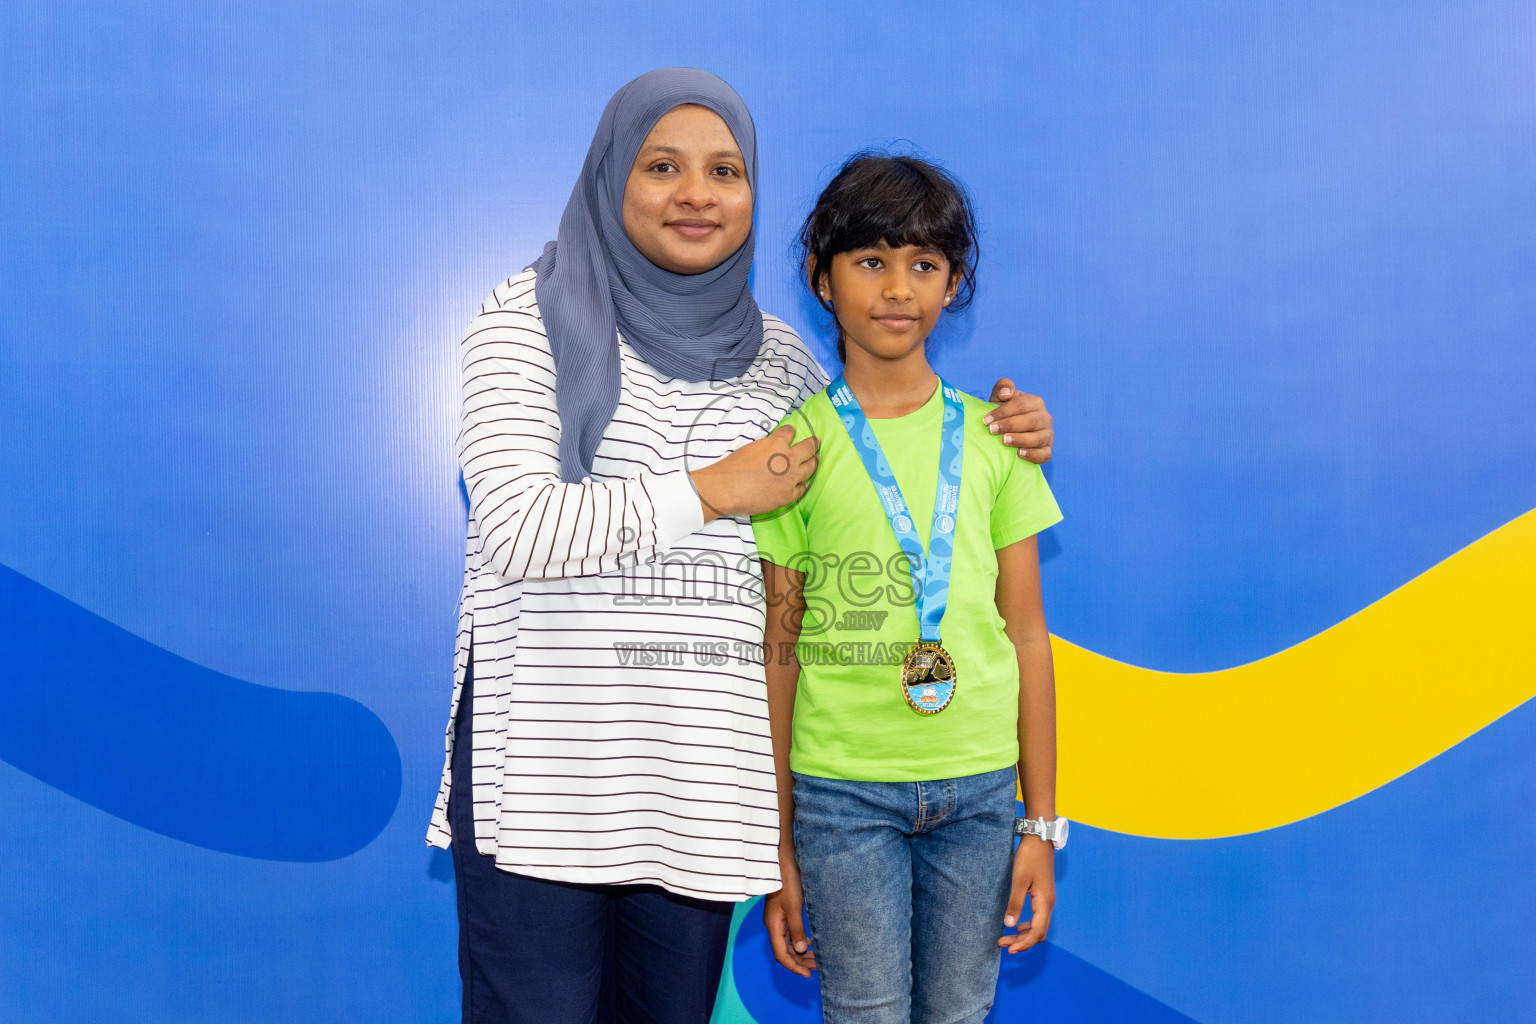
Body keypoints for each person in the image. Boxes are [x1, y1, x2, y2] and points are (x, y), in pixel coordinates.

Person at [424, 69, 1058, 1024]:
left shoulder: (783, 363)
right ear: (609, 177)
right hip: (551, 789)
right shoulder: (528, 321)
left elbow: (818, 570)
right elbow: (515, 527)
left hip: (700, 796)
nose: (696, 193)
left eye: (724, 170)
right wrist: (714, 488)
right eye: (662, 166)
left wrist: (1015, 430)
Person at [754, 153, 1066, 1024]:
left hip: (977, 788)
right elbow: (779, 648)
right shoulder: (797, 451)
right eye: (871, 261)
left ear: (953, 283)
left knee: (962, 1012)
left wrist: (1040, 826)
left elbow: (1030, 638)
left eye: (923, 265)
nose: (898, 289)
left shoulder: (999, 437)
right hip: (841, 793)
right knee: (867, 1013)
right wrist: (780, 838)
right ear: (823, 279)